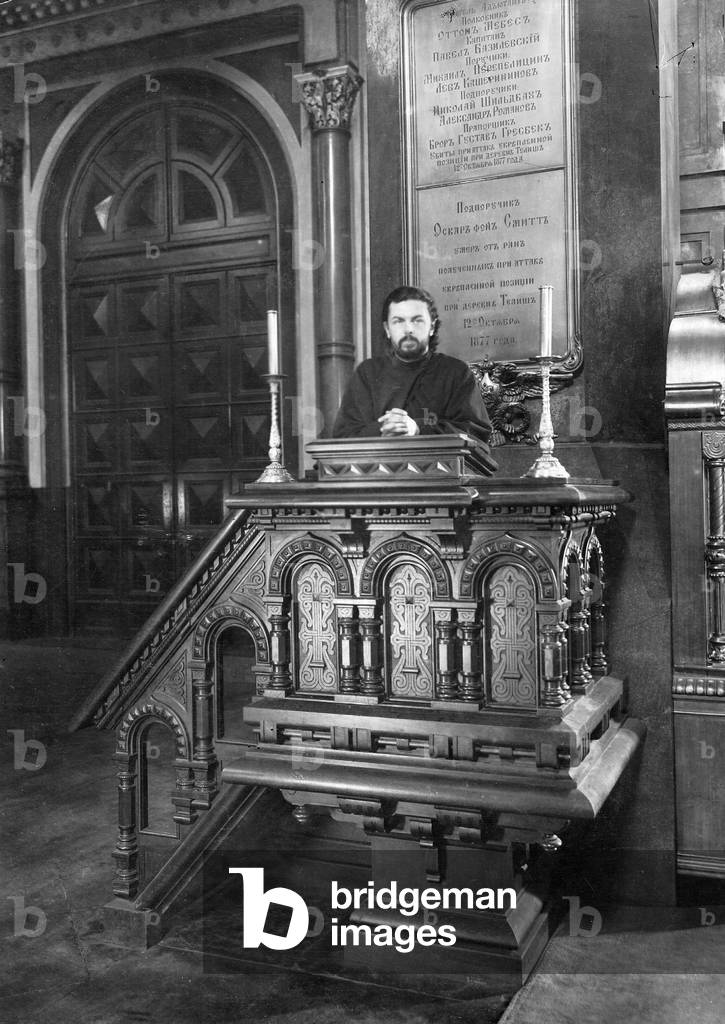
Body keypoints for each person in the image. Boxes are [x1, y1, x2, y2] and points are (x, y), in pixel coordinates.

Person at [332, 285, 494, 456]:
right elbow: (344, 436)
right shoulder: (367, 373)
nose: (408, 329)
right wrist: (383, 430)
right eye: (398, 321)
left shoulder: (456, 373)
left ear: (432, 326)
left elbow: (476, 435)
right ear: (387, 329)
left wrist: (417, 428)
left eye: (417, 320)